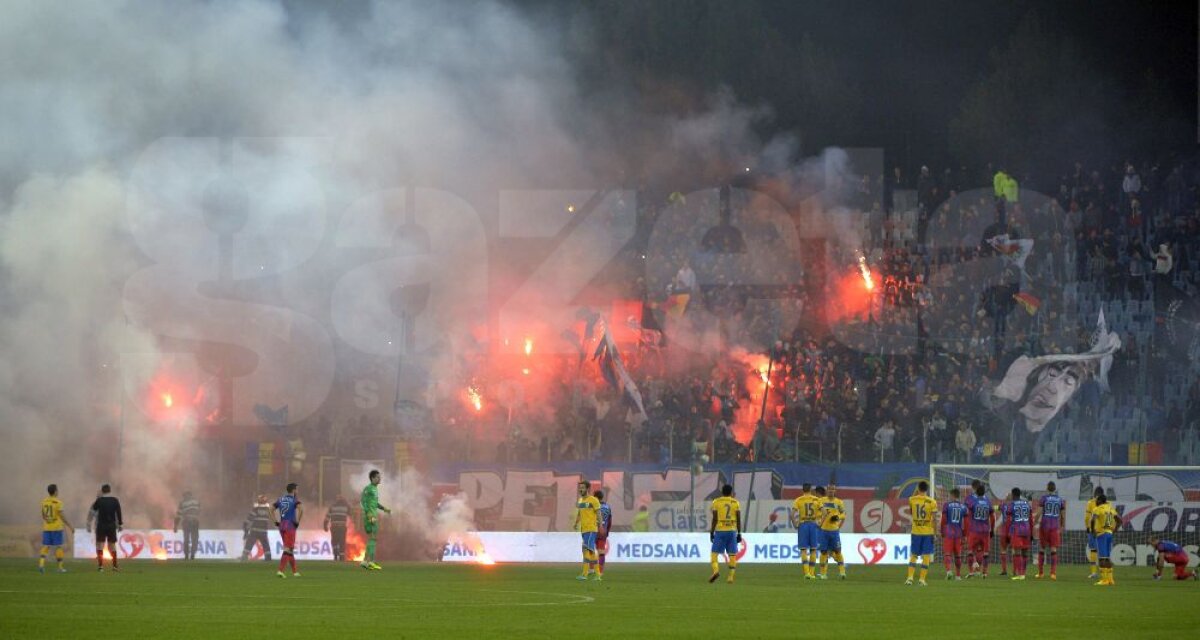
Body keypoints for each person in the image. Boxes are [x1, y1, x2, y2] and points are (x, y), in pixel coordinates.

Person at [905, 481, 938, 586]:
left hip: (916, 531)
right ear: (927, 490)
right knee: (926, 556)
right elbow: (934, 520)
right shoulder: (932, 502)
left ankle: (909, 578)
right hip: (928, 532)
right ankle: (922, 580)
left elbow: (911, 512)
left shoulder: (911, 500)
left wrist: (917, 491)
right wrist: (935, 533)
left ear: (918, 488)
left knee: (913, 555)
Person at [708, 483, 741, 584]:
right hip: (731, 531)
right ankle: (730, 577)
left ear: (722, 492)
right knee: (732, 555)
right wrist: (739, 533)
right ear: (731, 493)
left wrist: (711, 532)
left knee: (714, 554)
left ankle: (716, 571)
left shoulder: (716, 502)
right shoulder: (736, 503)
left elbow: (714, 518)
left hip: (720, 531)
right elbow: (739, 519)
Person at [360, 469, 391, 570]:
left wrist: (384, 508)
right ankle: (371, 562)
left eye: (379, 476)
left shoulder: (375, 489)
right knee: (373, 538)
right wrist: (369, 514)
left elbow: (374, 504)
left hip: (373, 516)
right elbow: (363, 502)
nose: (379, 478)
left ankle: (365, 561)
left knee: (371, 538)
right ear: (372, 478)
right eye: (377, 477)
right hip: (370, 517)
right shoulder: (368, 489)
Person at [39, 484, 74, 574]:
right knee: (58, 547)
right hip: (57, 528)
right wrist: (70, 526)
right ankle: (60, 567)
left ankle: (41, 564)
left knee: (46, 546)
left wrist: (48, 520)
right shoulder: (58, 502)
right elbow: (62, 516)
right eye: (57, 490)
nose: (58, 491)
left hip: (47, 527)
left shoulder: (44, 502)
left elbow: (43, 515)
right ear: (55, 491)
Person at [1034, 482, 1065, 580]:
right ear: (1055, 489)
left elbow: (1039, 513)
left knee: (1042, 549)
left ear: (1047, 488)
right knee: (1053, 549)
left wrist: (1035, 522)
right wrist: (1062, 525)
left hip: (1045, 525)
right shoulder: (1060, 500)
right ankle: (1053, 574)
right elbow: (1063, 515)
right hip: (1055, 526)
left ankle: (1041, 573)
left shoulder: (1044, 498)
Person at [272, 482, 303, 578]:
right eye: (297, 489)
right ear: (293, 490)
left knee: (290, 549)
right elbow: (301, 510)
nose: (297, 491)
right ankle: (280, 571)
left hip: (282, 525)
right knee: (288, 549)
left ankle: (295, 572)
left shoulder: (280, 499)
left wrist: (275, 521)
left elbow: (270, 509)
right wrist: (297, 521)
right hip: (290, 526)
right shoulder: (294, 500)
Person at [790, 483, 821, 580]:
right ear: (811, 489)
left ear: (802, 490)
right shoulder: (816, 499)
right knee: (813, 549)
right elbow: (824, 512)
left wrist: (795, 524)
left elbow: (792, 515)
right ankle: (812, 574)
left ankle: (806, 573)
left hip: (803, 525)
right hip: (813, 524)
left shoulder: (798, 500)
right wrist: (820, 523)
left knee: (803, 550)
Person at [1089, 493, 1121, 586]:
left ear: (1100, 501)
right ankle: (1110, 579)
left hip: (1102, 534)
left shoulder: (1097, 509)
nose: (1096, 502)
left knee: (1102, 558)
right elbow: (1120, 520)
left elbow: (1092, 520)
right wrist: (1115, 529)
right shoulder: (1111, 508)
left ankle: (1104, 580)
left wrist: (1092, 531)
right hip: (1109, 533)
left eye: (1097, 500)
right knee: (1107, 558)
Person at [88, 484, 122, 572]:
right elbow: (118, 512)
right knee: (112, 546)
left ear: (102, 491)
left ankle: (100, 567)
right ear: (110, 490)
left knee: (100, 545)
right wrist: (120, 524)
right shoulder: (115, 500)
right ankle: (115, 566)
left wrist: (89, 522)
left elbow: (93, 510)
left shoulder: (99, 500)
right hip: (111, 525)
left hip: (101, 525)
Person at [816, 485, 847, 580]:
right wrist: (819, 520)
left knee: (838, 551)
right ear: (827, 490)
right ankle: (823, 574)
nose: (831, 491)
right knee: (824, 552)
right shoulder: (821, 501)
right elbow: (817, 512)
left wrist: (838, 518)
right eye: (829, 489)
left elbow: (844, 514)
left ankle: (842, 572)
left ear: (835, 490)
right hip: (823, 531)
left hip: (834, 531)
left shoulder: (839, 502)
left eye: (832, 489)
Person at [572, 480, 601, 581]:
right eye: (580, 488)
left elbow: (598, 513)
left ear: (588, 489)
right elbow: (580, 513)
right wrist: (576, 523)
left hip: (591, 529)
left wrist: (600, 525)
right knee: (588, 551)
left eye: (583, 487)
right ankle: (594, 574)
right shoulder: (580, 501)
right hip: (583, 529)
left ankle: (588, 574)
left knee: (588, 550)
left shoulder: (593, 500)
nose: (581, 489)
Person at [1002, 488, 1033, 581]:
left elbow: (1008, 521)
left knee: (1017, 551)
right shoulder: (1026, 504)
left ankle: (1020, 574)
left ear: (1013, 495)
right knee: (1025, 552)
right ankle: (1023, 573)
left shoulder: (1011, 505)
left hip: (1017, 529)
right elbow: (1030, 519)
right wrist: (1031, 532)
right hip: (1026, 529)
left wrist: (1007, 534)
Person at [964, 483, 993, 578]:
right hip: (985, 530)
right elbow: (992, 517)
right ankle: (984, 573)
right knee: (985, 552)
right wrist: (991, 528)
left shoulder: (973, 502)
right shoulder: (988, 502)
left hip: (974, 529)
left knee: (970, 551)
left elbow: (968, 513)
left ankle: (971, 572)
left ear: (976, 492)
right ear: (984, 492)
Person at [940, 488, 967, 580]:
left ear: (952, 495)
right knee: (958, 555)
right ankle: (958, 576)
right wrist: (964, 535)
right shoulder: (963, 507)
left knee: (947, 554)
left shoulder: (947, 505)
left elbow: (943, 520)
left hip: (949, 532)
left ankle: (948, 571)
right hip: (958, 533)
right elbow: (966, 523)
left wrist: (942, 531)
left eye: (949, 495)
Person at [240, 494, 272, 561]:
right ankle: (268, 557)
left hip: (255, 530)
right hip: (263, 531)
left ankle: (244, 556)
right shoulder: (268, 510)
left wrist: (245, 525)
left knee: (249, 543)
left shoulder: (256, 509)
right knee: (265, 544)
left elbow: (250, 518)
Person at [1084, 486, 1105, 579]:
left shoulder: (1090, 503)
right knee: (1103, 552)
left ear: (1094, 494)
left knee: (1093, 550)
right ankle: (1104, 573)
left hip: (1092, 530)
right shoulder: (1107, 504)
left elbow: (1087, 518)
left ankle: (1093, 573)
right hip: (1103, 530)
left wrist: (1088, 527)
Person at [173, 490, 200, 560]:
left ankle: (187, 555)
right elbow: (199, 511)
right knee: (195, 539)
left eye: (184, 496)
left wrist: (175, 525)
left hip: (187, 522)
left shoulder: (182, 503)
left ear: (185, 495)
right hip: (195, 521)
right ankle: (192, 554)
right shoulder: (197, 502)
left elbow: (178, 514)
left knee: (186, 539)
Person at [323, 495, 351, 562]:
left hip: (334, 527)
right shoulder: (346, 507)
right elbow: (351, 513)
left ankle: (335, 556)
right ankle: (341, 557)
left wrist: (325, 526)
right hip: (342, 527)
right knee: (342, 542)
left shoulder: (332, 507)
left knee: (334, 541)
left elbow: (327, 517)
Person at [595, 490, 612, 579]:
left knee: (589, 551)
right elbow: (609, 521)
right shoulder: (607, 507)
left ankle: (590, 570)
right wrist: (607, 531)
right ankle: (600, 572)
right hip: (603, 533)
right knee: (601, 552)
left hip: (593, 531)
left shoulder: (593, 506)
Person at [997, 491, 1013, 576]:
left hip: (1004, 529)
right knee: (1015, 550)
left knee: (1003, 550)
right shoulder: (1014, 505)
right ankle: (1015, 571)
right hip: (1013, 529)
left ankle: (1004, 570)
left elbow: (999, 508)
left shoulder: (1003, 505)